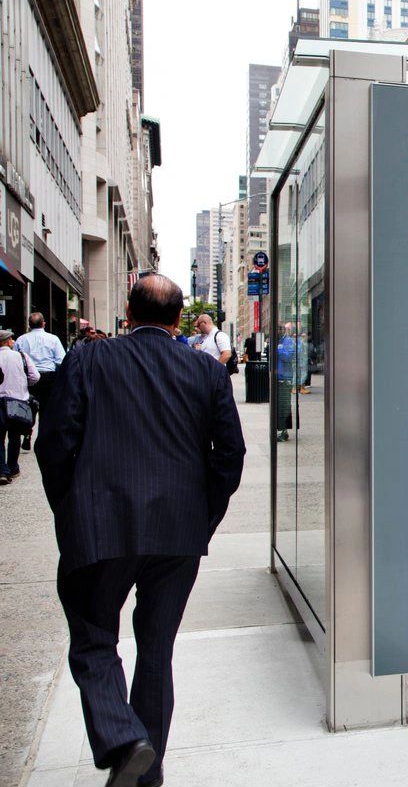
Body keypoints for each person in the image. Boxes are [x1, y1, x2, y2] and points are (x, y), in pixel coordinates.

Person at [36, 275, 245, 787]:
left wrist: (70, 508)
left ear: (128, 315)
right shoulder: (206, 371)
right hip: (178, 531)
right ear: (178, 320)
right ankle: (144, 773)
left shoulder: (88, 359)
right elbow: (230, 455)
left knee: (93, 639)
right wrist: (204, 518)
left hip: (100, 525)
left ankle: (124, 741)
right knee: (156, 650)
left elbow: (55, 441)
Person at [16, 312, 67, 446]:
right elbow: (61, 360)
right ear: (44, 323)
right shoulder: (53, 339)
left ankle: (27, 431)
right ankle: (43, 438)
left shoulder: (21, 339)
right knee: (46, 409)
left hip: (29, 377)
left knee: (29, 407)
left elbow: (17, 358)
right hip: (48, 378)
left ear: (29, 325)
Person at [0, 329, 39, 484]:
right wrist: (24, 385)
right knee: (15, 435)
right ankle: (13, 467)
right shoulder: (21, 356)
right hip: (17, 400)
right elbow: (35, 376)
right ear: (8, 341)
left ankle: (2, 471)